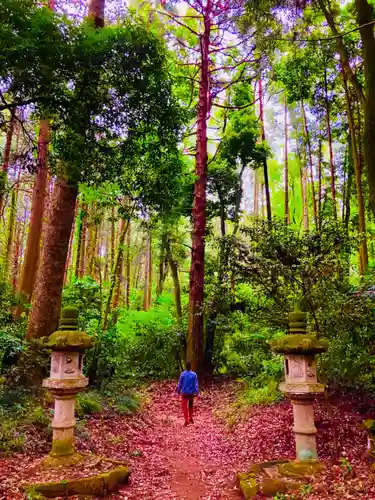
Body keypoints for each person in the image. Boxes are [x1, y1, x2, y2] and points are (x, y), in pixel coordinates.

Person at [176, 361, 199, 426]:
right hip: (191, 393)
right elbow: (196, 385)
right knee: (191, 405)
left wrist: (178, 391)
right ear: (190, 366)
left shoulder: (182, 374)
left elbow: (180, 384)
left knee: (185, 406)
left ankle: (186, 420)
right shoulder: (194, 374)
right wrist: (197, 393)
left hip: (184, 393)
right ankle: (190, 418)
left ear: (186, 367)